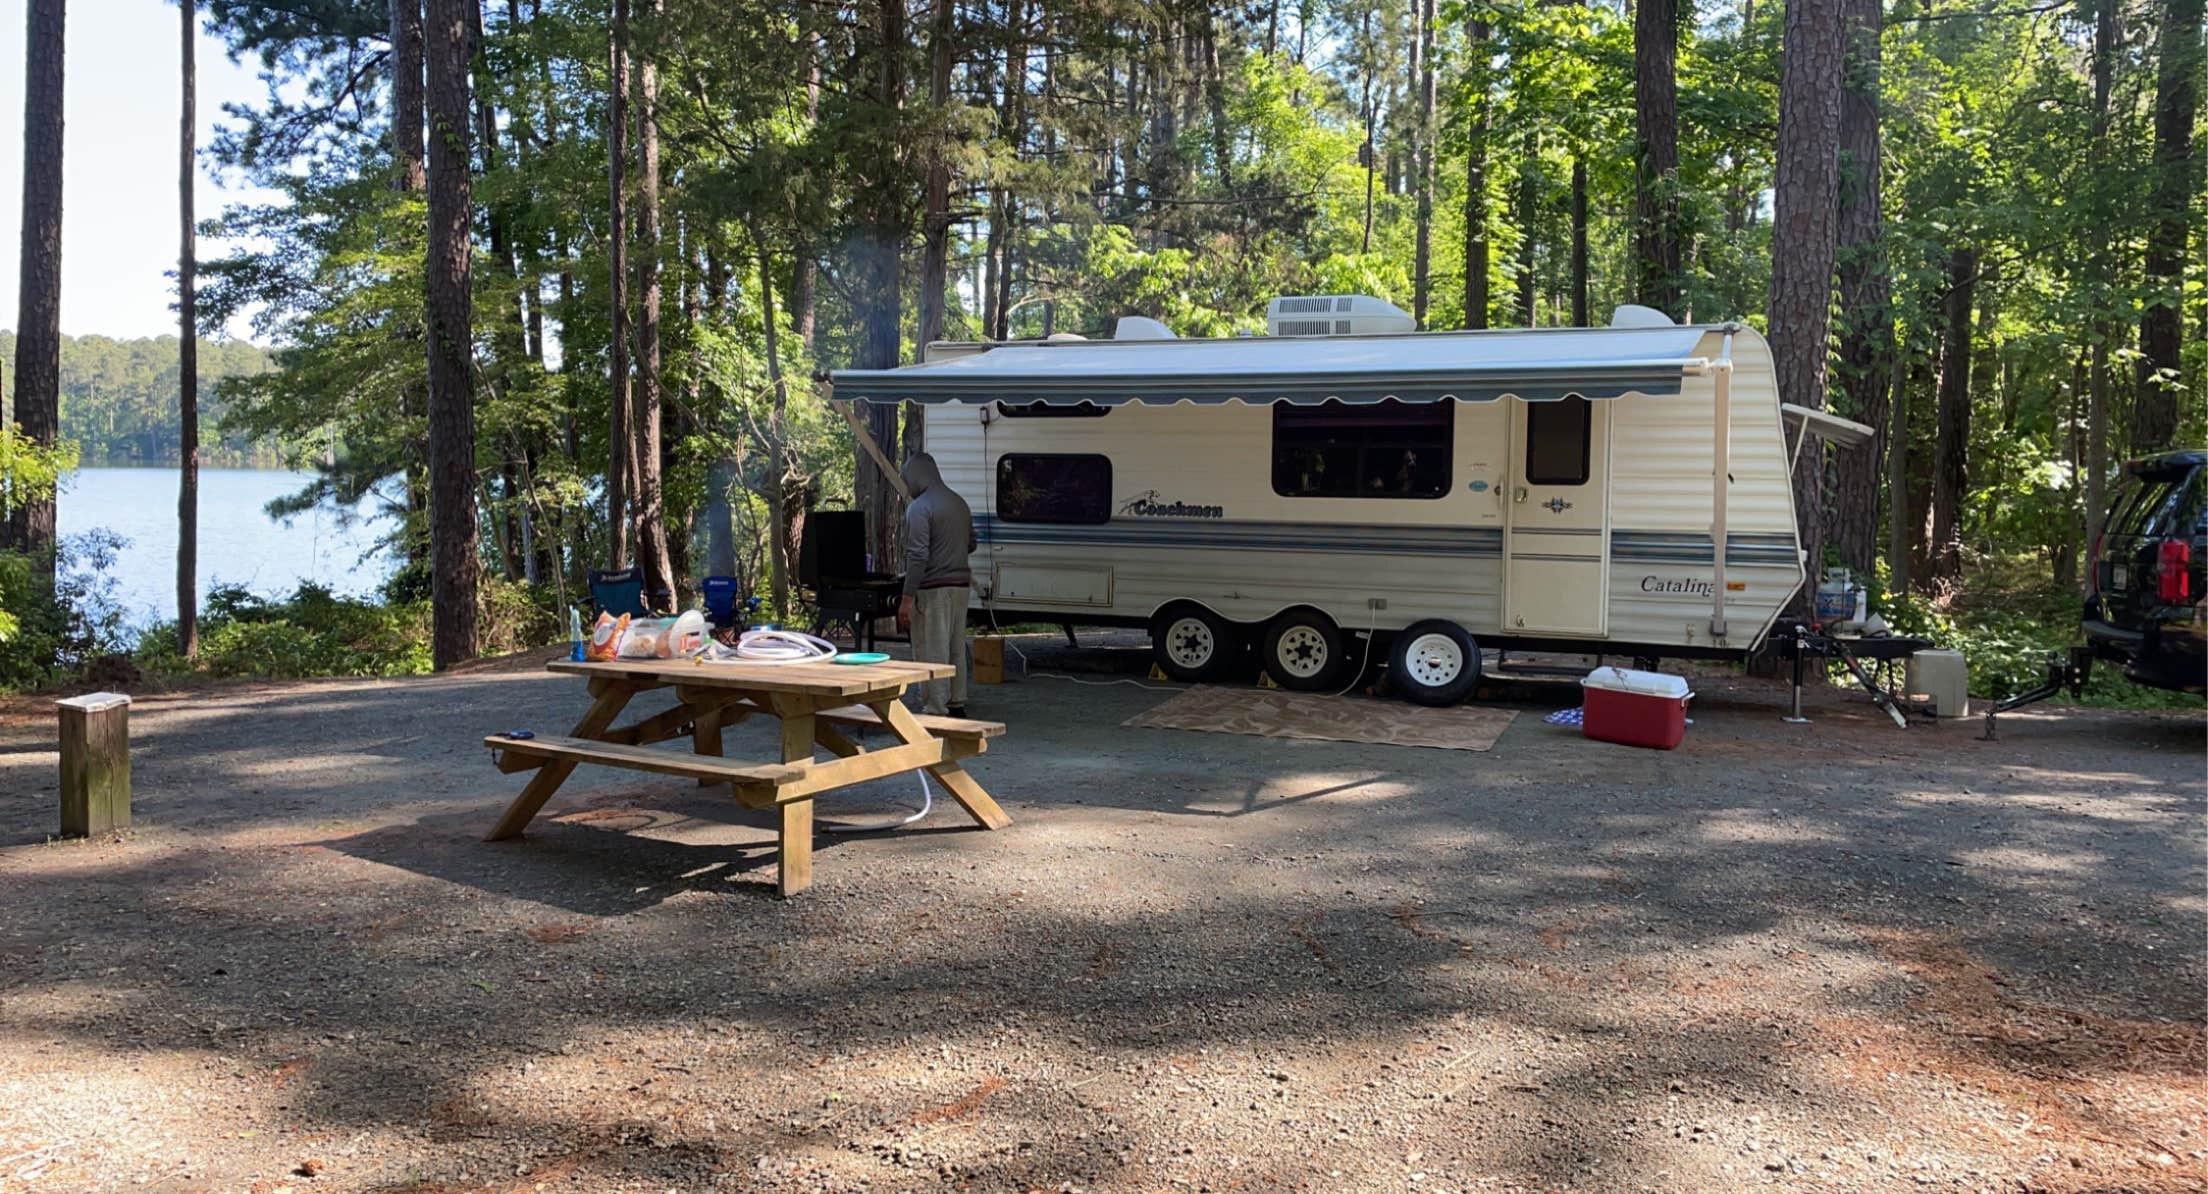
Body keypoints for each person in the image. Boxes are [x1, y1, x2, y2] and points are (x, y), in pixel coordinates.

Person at [894, 452, 977, 717]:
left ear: (917, 476)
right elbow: (971, 543)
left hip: (933, 589)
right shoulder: (959, 502)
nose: (907, 486)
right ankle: (956, 701)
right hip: (961, 586)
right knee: (955, 646)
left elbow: (917, 556)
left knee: (932, 648)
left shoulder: (920, 507)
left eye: (907, 479)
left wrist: (907, 598)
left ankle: (935, 707)